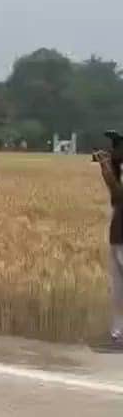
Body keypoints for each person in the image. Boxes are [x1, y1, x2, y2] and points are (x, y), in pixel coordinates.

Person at [93, 132, 123, 348]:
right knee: (118, 291)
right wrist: (108, 169)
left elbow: (119, 195)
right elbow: (116, 198)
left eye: (116, 148)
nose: (113, 152)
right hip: (118, 235)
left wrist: (106, 167)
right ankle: (118, 334)